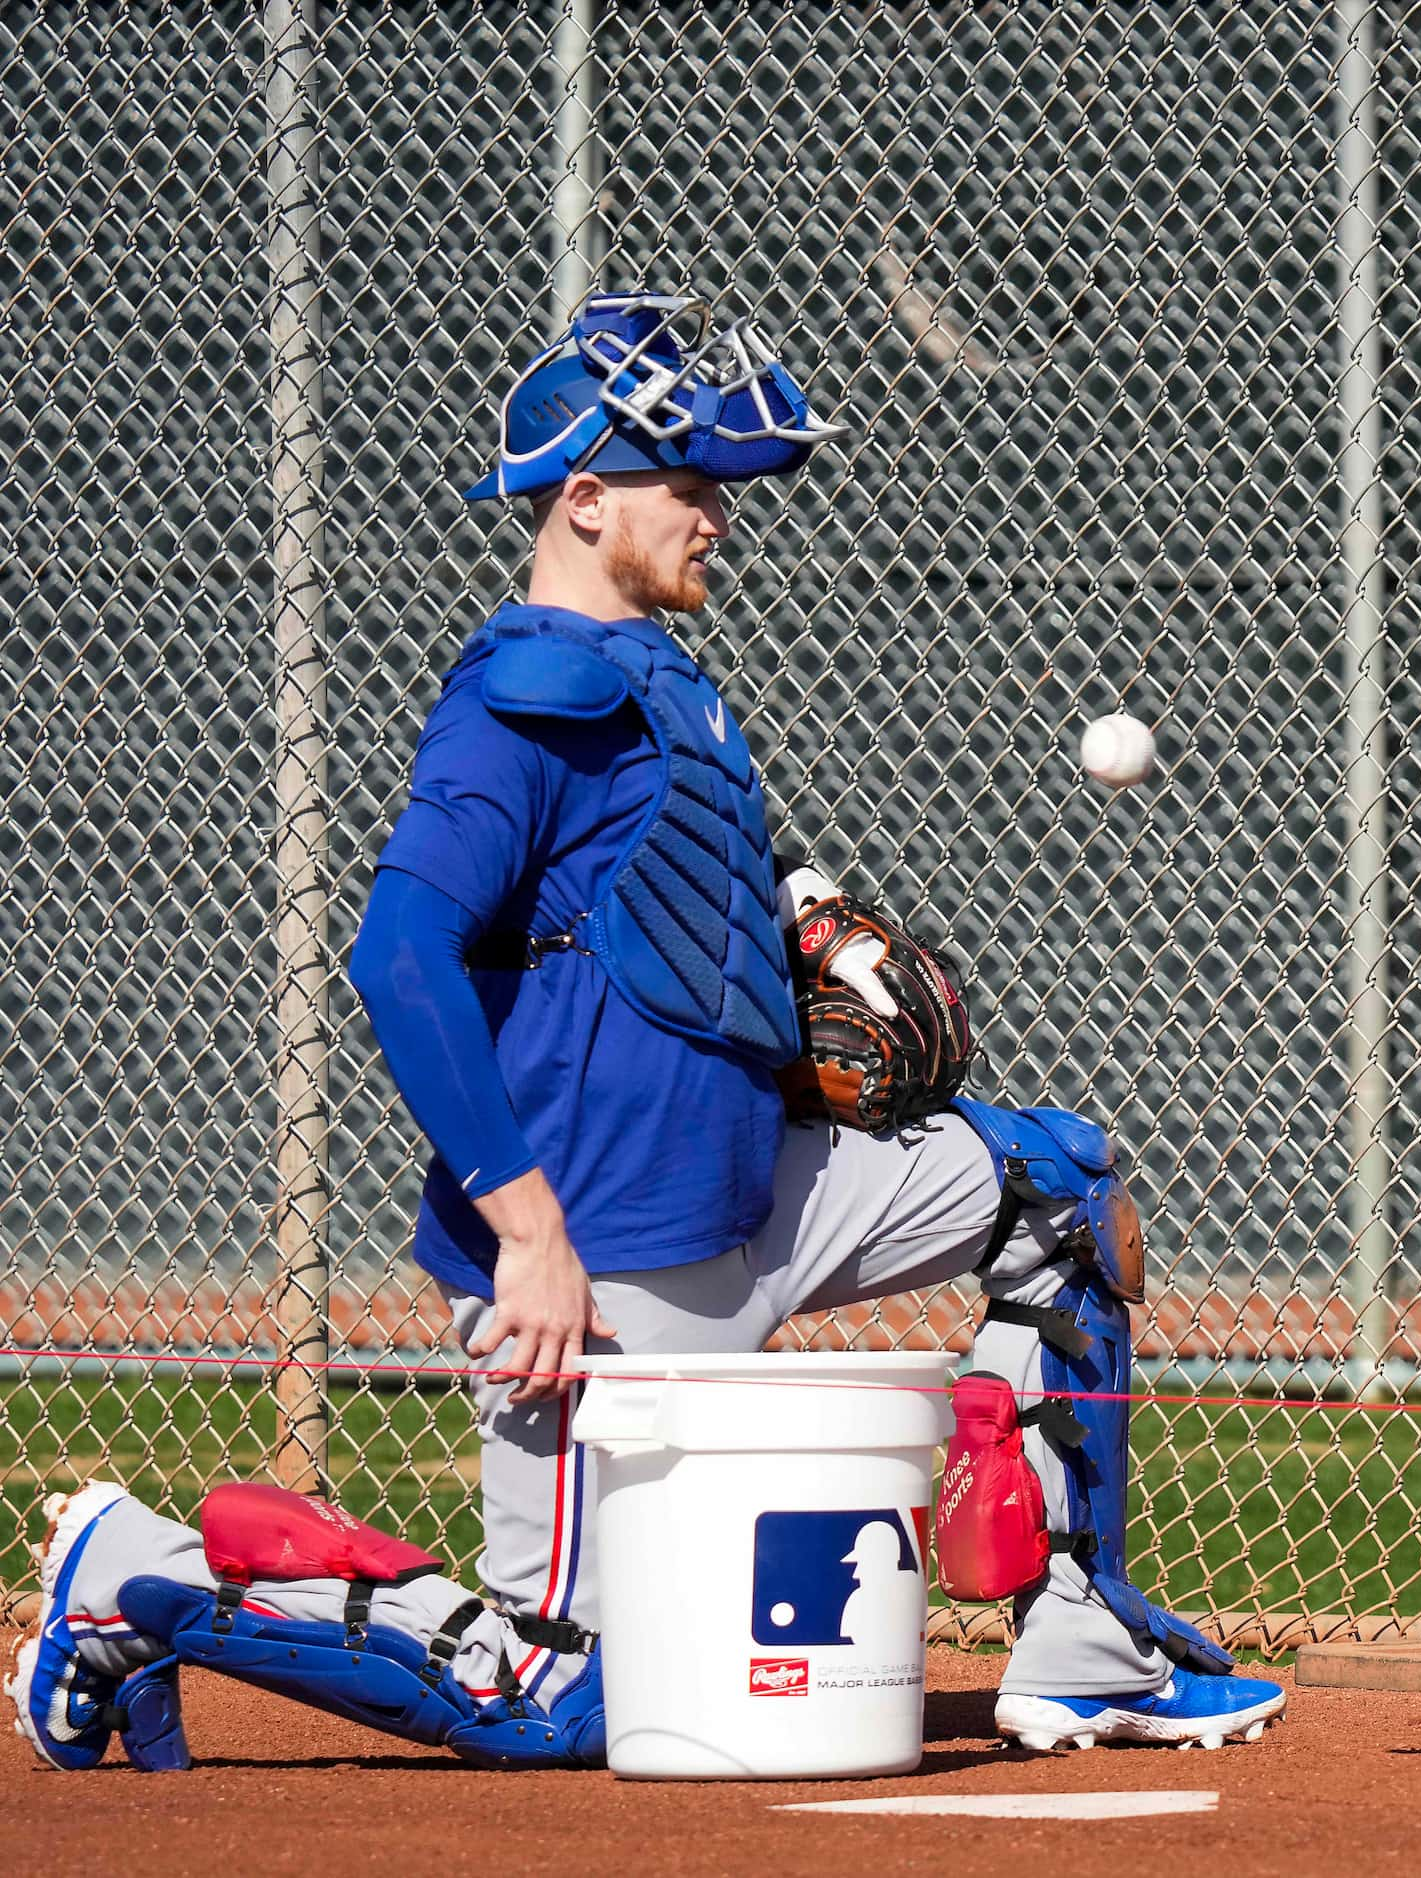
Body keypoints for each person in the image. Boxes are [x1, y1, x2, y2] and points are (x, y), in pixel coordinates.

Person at [10, 292, 1284, 1773]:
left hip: (761, 1194)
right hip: (600, 1275)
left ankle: (1080, 1638)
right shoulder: (525, 695)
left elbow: (645, 913)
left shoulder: (661, 671)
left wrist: (791, 963)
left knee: (1061, 1191)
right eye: (689, 486)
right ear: (586, 496)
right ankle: (134, 1569)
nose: (718, 515)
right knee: (554, 1701)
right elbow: (398, 954)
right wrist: (528, 1231)